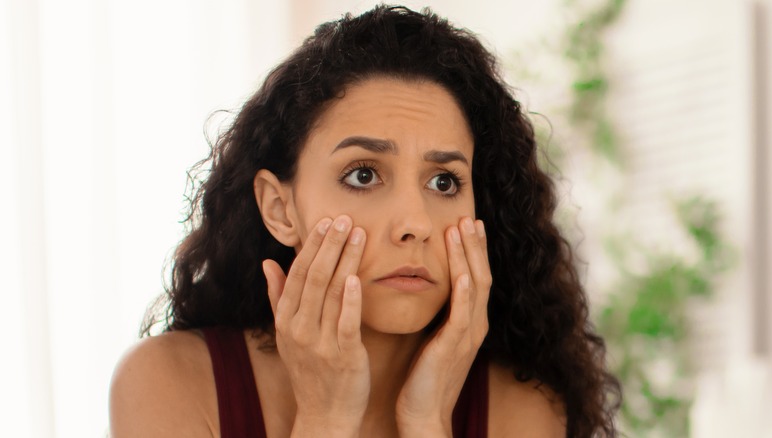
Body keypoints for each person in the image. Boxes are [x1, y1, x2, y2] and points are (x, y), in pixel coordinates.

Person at [109, 5, 620, 438]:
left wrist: (427, 422)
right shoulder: (168, 383)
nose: (415, 224)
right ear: (279, 208)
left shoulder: (523, 411)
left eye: (444, 182)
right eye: (363, 174)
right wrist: (326, 418)